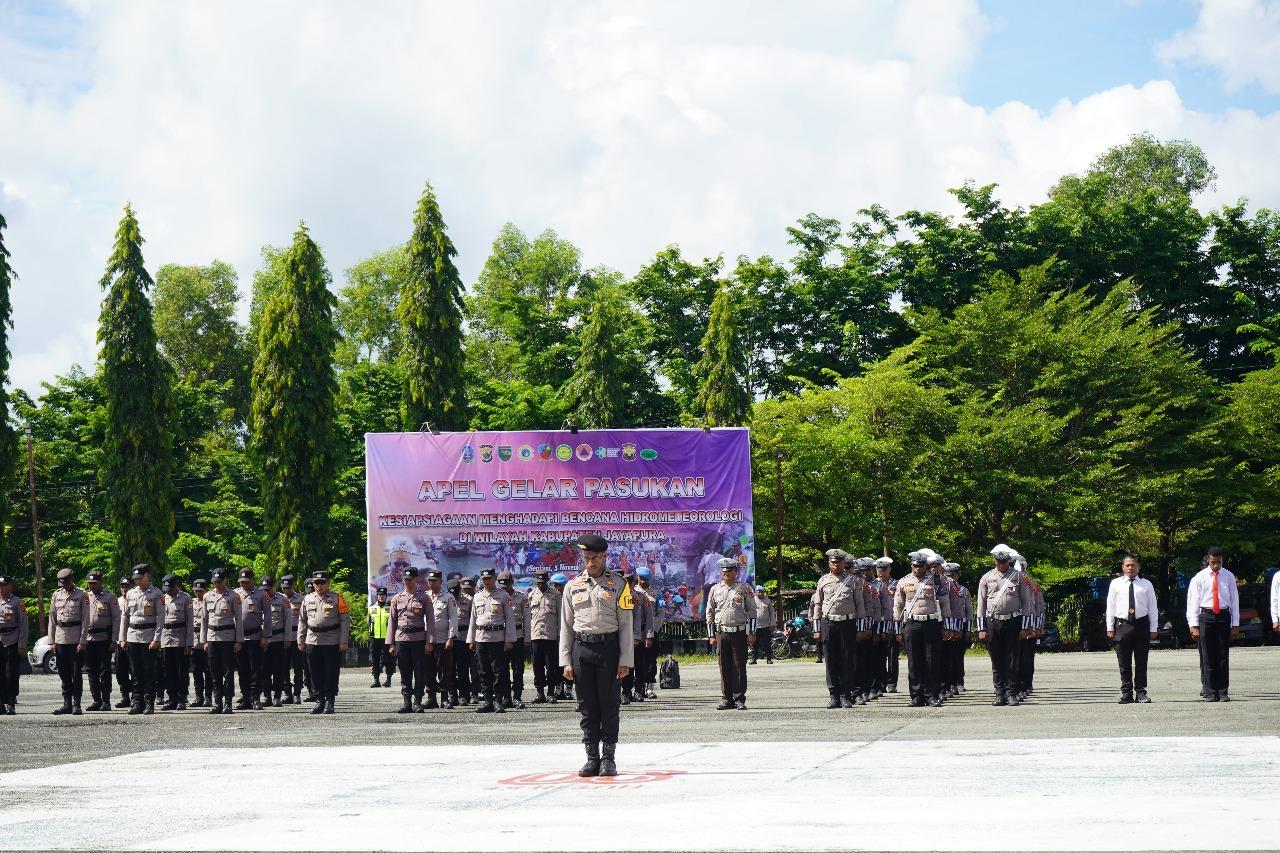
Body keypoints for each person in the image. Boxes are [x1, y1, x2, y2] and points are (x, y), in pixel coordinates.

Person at [560, 534, 633, 777]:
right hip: (582, 650)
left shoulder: (620, 585)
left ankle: (608, 759)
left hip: (608, 649)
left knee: (609, 705)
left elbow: (626, 624)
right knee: (587, 707)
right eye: (586, 557)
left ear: (604, 557)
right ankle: (592, 758)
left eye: (595, 557)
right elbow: (566, 627)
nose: (590, 562)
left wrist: (625, 660)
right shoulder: (572, 586)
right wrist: (565, 661)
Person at [976, 544, 1034, 707]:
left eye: (1005, 561)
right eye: (999, 562)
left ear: (1009, 560)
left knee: (1012, 659)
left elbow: (1026, 602)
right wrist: (981, 628)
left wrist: (1025, 626)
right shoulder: (986, 578)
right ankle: (999, 693)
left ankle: (1011, 693)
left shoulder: (1018, 577)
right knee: (996, 659)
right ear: (995, 561)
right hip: (993, 621)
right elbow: (981, 604)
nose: (1002, 565)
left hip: (1013, 621)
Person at [894, 552, 953, 707]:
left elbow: (945, 604)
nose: (917, 569)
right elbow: (898, 606)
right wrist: (897, 628)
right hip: (912, 624)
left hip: (931, 623)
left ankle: (931, 695)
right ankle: (916, 696)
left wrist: (948, 626)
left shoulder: (937, 580)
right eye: (915, 566)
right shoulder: (903, 581)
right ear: (911, 566)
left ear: (926, 566)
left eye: (920, 566)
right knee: (914, 661)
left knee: (931, 661)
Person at [812, 550, 865, 708]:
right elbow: (818, 605)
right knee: (831, 660)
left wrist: (861, 628)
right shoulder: (823, 581)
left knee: (847, 659)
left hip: (847, 624)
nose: (836, 565)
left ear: (844, 563)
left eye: (839, 562)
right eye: (833, 562)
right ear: (829, 564)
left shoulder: (853, 581)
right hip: (828, 623)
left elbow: (860, 605)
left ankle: (845, 695)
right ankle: (834, 695)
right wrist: (816, 629)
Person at [1186, 547, 1240, 702]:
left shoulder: (1228, 576)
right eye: (1213, 562)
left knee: (1223, 655)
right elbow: (1193, 603)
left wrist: (1235, 624)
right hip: (1206, 616)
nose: (1216, 565)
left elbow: (1234, 600)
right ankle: (1210, 691)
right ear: (1208, 560)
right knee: (1208, 655)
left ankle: (1222, 691)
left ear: (1222, 560)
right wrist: (1193, 625)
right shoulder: (1200, 577)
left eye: (1219, 562)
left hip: (1223, 616)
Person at [1106, 555, 1158, 703]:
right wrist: (1110, 627)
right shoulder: (1116, 584)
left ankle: (1141, 692)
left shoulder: (1146, 584)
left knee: (1141, 661)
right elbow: (1111, 606)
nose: (1130, 568)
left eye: (1133, 565)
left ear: (1138, 567)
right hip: (1122, 625)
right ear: (1123, 567)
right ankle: (1126, 692)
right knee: (1124, 661)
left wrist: (1153, 628)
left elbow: (1153, 607)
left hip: (1141, 624)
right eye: (1127, 565)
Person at [297, 569, 350, 714]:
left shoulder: (337, 598)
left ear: (328, 583)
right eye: (316, 583)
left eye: (322, 582)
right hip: (312, 640)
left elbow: (345, 620)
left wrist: (343, 641)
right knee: (315, 672)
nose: (319, 585)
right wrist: (300, 640)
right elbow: (302, 620)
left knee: (331, 672)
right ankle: (319, 699)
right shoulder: (307, 599)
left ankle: (330, 701)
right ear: (313, 584)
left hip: (331, 639)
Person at [705, 558, 756, 710]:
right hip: (722, 633)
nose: (726, 574)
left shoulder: (744, 588)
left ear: (736, 571)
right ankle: (726, 698)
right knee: (724, 666)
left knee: (739, 666)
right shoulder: (715, 589)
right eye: (724, 571)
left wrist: (752, 632)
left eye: (729, 571)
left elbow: (752, 611)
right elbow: (710, 612)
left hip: (739, 632)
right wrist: (711, 635)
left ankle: (739, 698)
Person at [467, 567, 514, 714]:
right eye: (484, 579)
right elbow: (473, 620)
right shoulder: (477, 597)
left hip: (497, 638)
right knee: (483, 671)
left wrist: (509, 640)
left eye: (489, 579)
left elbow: (510, 620)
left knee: (498, 671)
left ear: (494, 579)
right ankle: (487, 701)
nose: (486, 581)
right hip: (481, 638)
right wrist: (471, 640)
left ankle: (498, 701)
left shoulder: (503, 596)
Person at [387, 567, 433, 713]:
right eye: (405, 579)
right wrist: (391, 643)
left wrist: (429, 641)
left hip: (418, 639)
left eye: (410, 579)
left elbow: (431, 621)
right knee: (405, 671)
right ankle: (407, 702)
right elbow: (392, 622)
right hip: (401, 639)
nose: (408, 582)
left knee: (419, 671)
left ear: (416, 579)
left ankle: (417, 702)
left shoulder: (424, 597)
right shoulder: (397, 598)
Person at [119, 564, 163, 715]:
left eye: (140, 578)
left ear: (147, 576)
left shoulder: (156, 594)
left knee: (149, 671)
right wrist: (122, 638)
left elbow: (160, 618)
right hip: (132, 636)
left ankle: (149, 702)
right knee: (135, 671)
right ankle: (137, 702)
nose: (137, 581)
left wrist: (157, 639)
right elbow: (125, 617)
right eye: (135, 579)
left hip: (148, 637)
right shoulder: (130, 594)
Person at [199, 568, 243, 715]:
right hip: (212, 638)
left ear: (225, 580)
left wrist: (238, 641)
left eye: (219, 581)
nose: (217, 584)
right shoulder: (207, 596)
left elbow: (239, 620)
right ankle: (217, 702)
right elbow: (204, 619)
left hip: (227, 637)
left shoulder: (233, 596)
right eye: (215, 582)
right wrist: (204, 640)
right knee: (214, 672)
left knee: (228, 672)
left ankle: (228, 703)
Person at [47, 568, 90, 715]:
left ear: (72, 579)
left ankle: (76, 704)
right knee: (63, 673)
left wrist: (82, 641)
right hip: (60, 639)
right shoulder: (56, 594)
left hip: (75, 639)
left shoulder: (82, 594)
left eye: (66, 582)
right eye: (62, 582)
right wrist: (51, 641)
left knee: (76, 673)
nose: (64, 585)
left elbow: (85, 620)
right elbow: (52, 619)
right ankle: (67, 704)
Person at [233, 568, 271, 710]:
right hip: (240, 637)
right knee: (242, 670)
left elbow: (267, 616)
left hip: (256, 636)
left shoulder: (262, 595)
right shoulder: (235, 594)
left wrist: (266, 636)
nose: (244, 584)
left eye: (247, 582)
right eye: (242, 582)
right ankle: (246, 698)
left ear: (253, 580)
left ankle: (256, 698)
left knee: (256, 669)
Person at [83, 570, 120, 712]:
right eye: (89, 583)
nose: (91, 586)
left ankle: (106, 701)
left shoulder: (110, 597)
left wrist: (114, 639)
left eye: (94, 583)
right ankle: (96, 700)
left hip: (104, 639)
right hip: (88, 639)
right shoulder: (85, 596)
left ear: (100, 582)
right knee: (91, 671)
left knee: (104, 671)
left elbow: (116, 619)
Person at [156, 574, 194, 711]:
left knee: (181, 671)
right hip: (165, 637)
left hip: (180, 638)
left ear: (176, 585)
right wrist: (158, 641)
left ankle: (182, 698)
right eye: (166, 588)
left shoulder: (186, 598)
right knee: (168, 670)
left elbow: (190, 622)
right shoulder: (162, 598)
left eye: (170, 588)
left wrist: (189, 643)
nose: (168, 590)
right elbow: (158, 620)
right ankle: (171, 698)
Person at [423, 569, 457, 709]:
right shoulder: (424, 596)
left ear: (440, 581)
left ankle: (444, 698)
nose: (431, 583)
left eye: (434, 580)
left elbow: (453, 618)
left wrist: (450, 637)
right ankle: (431, 698)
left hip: (442, 639)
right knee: (428, 669)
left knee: (444, 669)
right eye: (429, 580)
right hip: (426, 640)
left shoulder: (448, 597)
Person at [528, 568, 561, 704]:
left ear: (547, 581)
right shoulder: (531, 595)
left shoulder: (556, 595)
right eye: (538, 582)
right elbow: (528, 616)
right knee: (537, 665)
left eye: (543, 582)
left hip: (551, 636)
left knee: (551, 665)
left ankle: (551, 693)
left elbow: (560, 616)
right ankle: (540, 692)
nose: (540, 585)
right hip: (536, 635)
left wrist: (560, 635)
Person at [499, 571, 530, 708]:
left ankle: (517, 696)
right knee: (502, 668)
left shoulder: (522, 597)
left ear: (511, 583)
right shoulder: (497, 597)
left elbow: (527, 620)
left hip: (518, 636)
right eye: (501, 585)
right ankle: (506, 697)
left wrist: (528, 639)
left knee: (518, 668)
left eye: (506, 584)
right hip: (501, 637)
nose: (504, 587)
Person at [261, 576, 293, 707]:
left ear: (274, 587)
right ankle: (267, 696)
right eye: (264, 589)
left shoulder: (283, 600)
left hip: (278, 639)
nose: (266, 592)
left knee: (278, 670)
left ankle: (277, 697)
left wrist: (287, 638)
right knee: (264, 670)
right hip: (263, 640)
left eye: (268, 589)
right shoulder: (259, 598)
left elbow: (288, 620)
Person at [0, 575, 28, 716]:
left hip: (12, 640)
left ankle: (11, 702)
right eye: (0, 586)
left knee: (10, 673)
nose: (2, 588)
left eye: (4, 585)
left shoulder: (18, 602)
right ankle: (1, 703)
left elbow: (23, 625)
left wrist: (21, 644)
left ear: (10, 586)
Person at [942, 563, 970, 697]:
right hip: (947, 625)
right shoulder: (944, 587)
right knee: (947, 657)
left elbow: (968, 611)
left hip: (960, 625)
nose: (950, 577)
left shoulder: (963, 590)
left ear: (957, 575)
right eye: (948, 575)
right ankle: (949, 683)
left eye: (953, 575)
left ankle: (959, 681)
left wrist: (968, 630)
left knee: (958, 657)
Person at [872, 557, 898, 693]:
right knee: (879, 656)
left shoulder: (897, 584)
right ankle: (881, 683)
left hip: (892, 622)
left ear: (889, 570)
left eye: (884, 570)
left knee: (893, 655)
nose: (881, 572)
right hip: (878, 624)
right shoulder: (873, 584)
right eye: (878, 570)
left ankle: (892, 683)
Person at [280, 575, 305, 704]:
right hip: (283, 637)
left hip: (296, 636)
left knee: (298, 667)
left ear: (293, 586)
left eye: (288, 588)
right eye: (283, 588)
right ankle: (287, 693)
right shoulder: (279, 599)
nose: (286, 590)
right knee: (284, 667)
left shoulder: (301, 599)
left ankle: (297, 693)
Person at [636, 568, 661, 697]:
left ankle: (650, 687)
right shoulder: (632, 592)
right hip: (636, 632)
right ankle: (637, 688)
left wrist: (653, 631)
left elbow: (660, 613)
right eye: (641, 578)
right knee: (637, 660)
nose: (643, 581)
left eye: (645, 579)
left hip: (651, 632)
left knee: (651, 660)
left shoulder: (656, 593)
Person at [452, 577, 476, 705]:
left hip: (464, 638)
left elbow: (474, 620)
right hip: (450, 639)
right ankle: (452, 695)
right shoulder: (447, 599)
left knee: (463, 668)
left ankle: (464, 695)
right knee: (450, 669)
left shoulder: (469, 600)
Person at [550, 573, 574, 700]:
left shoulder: (571, 597)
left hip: (569, 635)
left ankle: (569, 689)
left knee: (570, 662)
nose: (557, 588)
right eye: (555, 585)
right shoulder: (551, 598)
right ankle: (559, 688)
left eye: (559, 585)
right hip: (555, 636)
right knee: (557, 664)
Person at [113, 577, 134, 708]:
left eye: (127, 586)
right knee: (120, 670)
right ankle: (125, 696)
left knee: (135, 670)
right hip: (119, 641)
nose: (124, 589)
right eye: (122, 586)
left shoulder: (135, 599)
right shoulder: (117, 601)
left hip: (132, 640)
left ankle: (137, 696)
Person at [189, 579, 210, 708]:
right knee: (196, 671)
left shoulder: (209, 600)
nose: (198, 593)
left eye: (201, 591)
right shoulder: (191, 602)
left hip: (206, 639)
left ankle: (208, 697)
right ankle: (199, 697)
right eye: (196, 591)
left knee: (208, 671)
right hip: (194, 640)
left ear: (205, 590)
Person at [368, 586, 394, 688]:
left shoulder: (390, 607)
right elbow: (368, 622)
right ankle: (376, 680)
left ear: (386, 596)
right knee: (375, 659)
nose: (381, 597)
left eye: (383, 595)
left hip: (387, 638)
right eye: (379, 595)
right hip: (374, 637)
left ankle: (388, 679)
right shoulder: (371, 607)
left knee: (388, 659)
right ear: (377, 596)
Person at [750, 585, 775, 665]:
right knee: (754, 643)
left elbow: (772, 613)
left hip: (766, 626)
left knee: (767, 643)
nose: (760, 593)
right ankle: (754, 659)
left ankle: (769, 659)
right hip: (755, 626)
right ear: (755, 592)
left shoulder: (768, 601)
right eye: (759, 591)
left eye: (762, 592)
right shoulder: (752, 601)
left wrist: (772, 624)